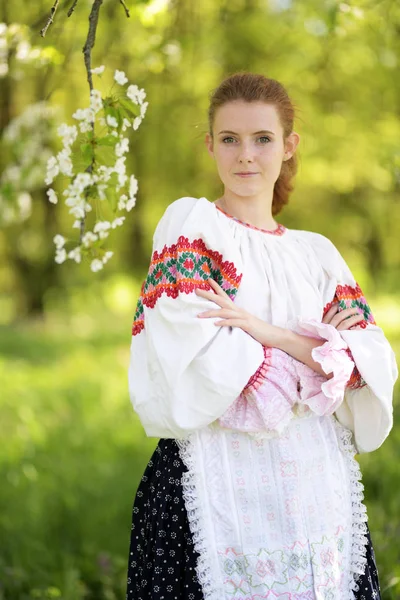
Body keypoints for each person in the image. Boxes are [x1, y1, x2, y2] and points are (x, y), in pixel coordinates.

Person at [126, 72, 398, 600]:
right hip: (213, 479)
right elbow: (191, 344)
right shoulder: (192, 225)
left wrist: (263, 333)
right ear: (210, 145)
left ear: (289, 146)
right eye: (229, 139)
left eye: (262, 139)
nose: (245, 155)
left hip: (317, 491)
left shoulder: (316, 253)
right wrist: (317, 356)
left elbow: (369, 359)